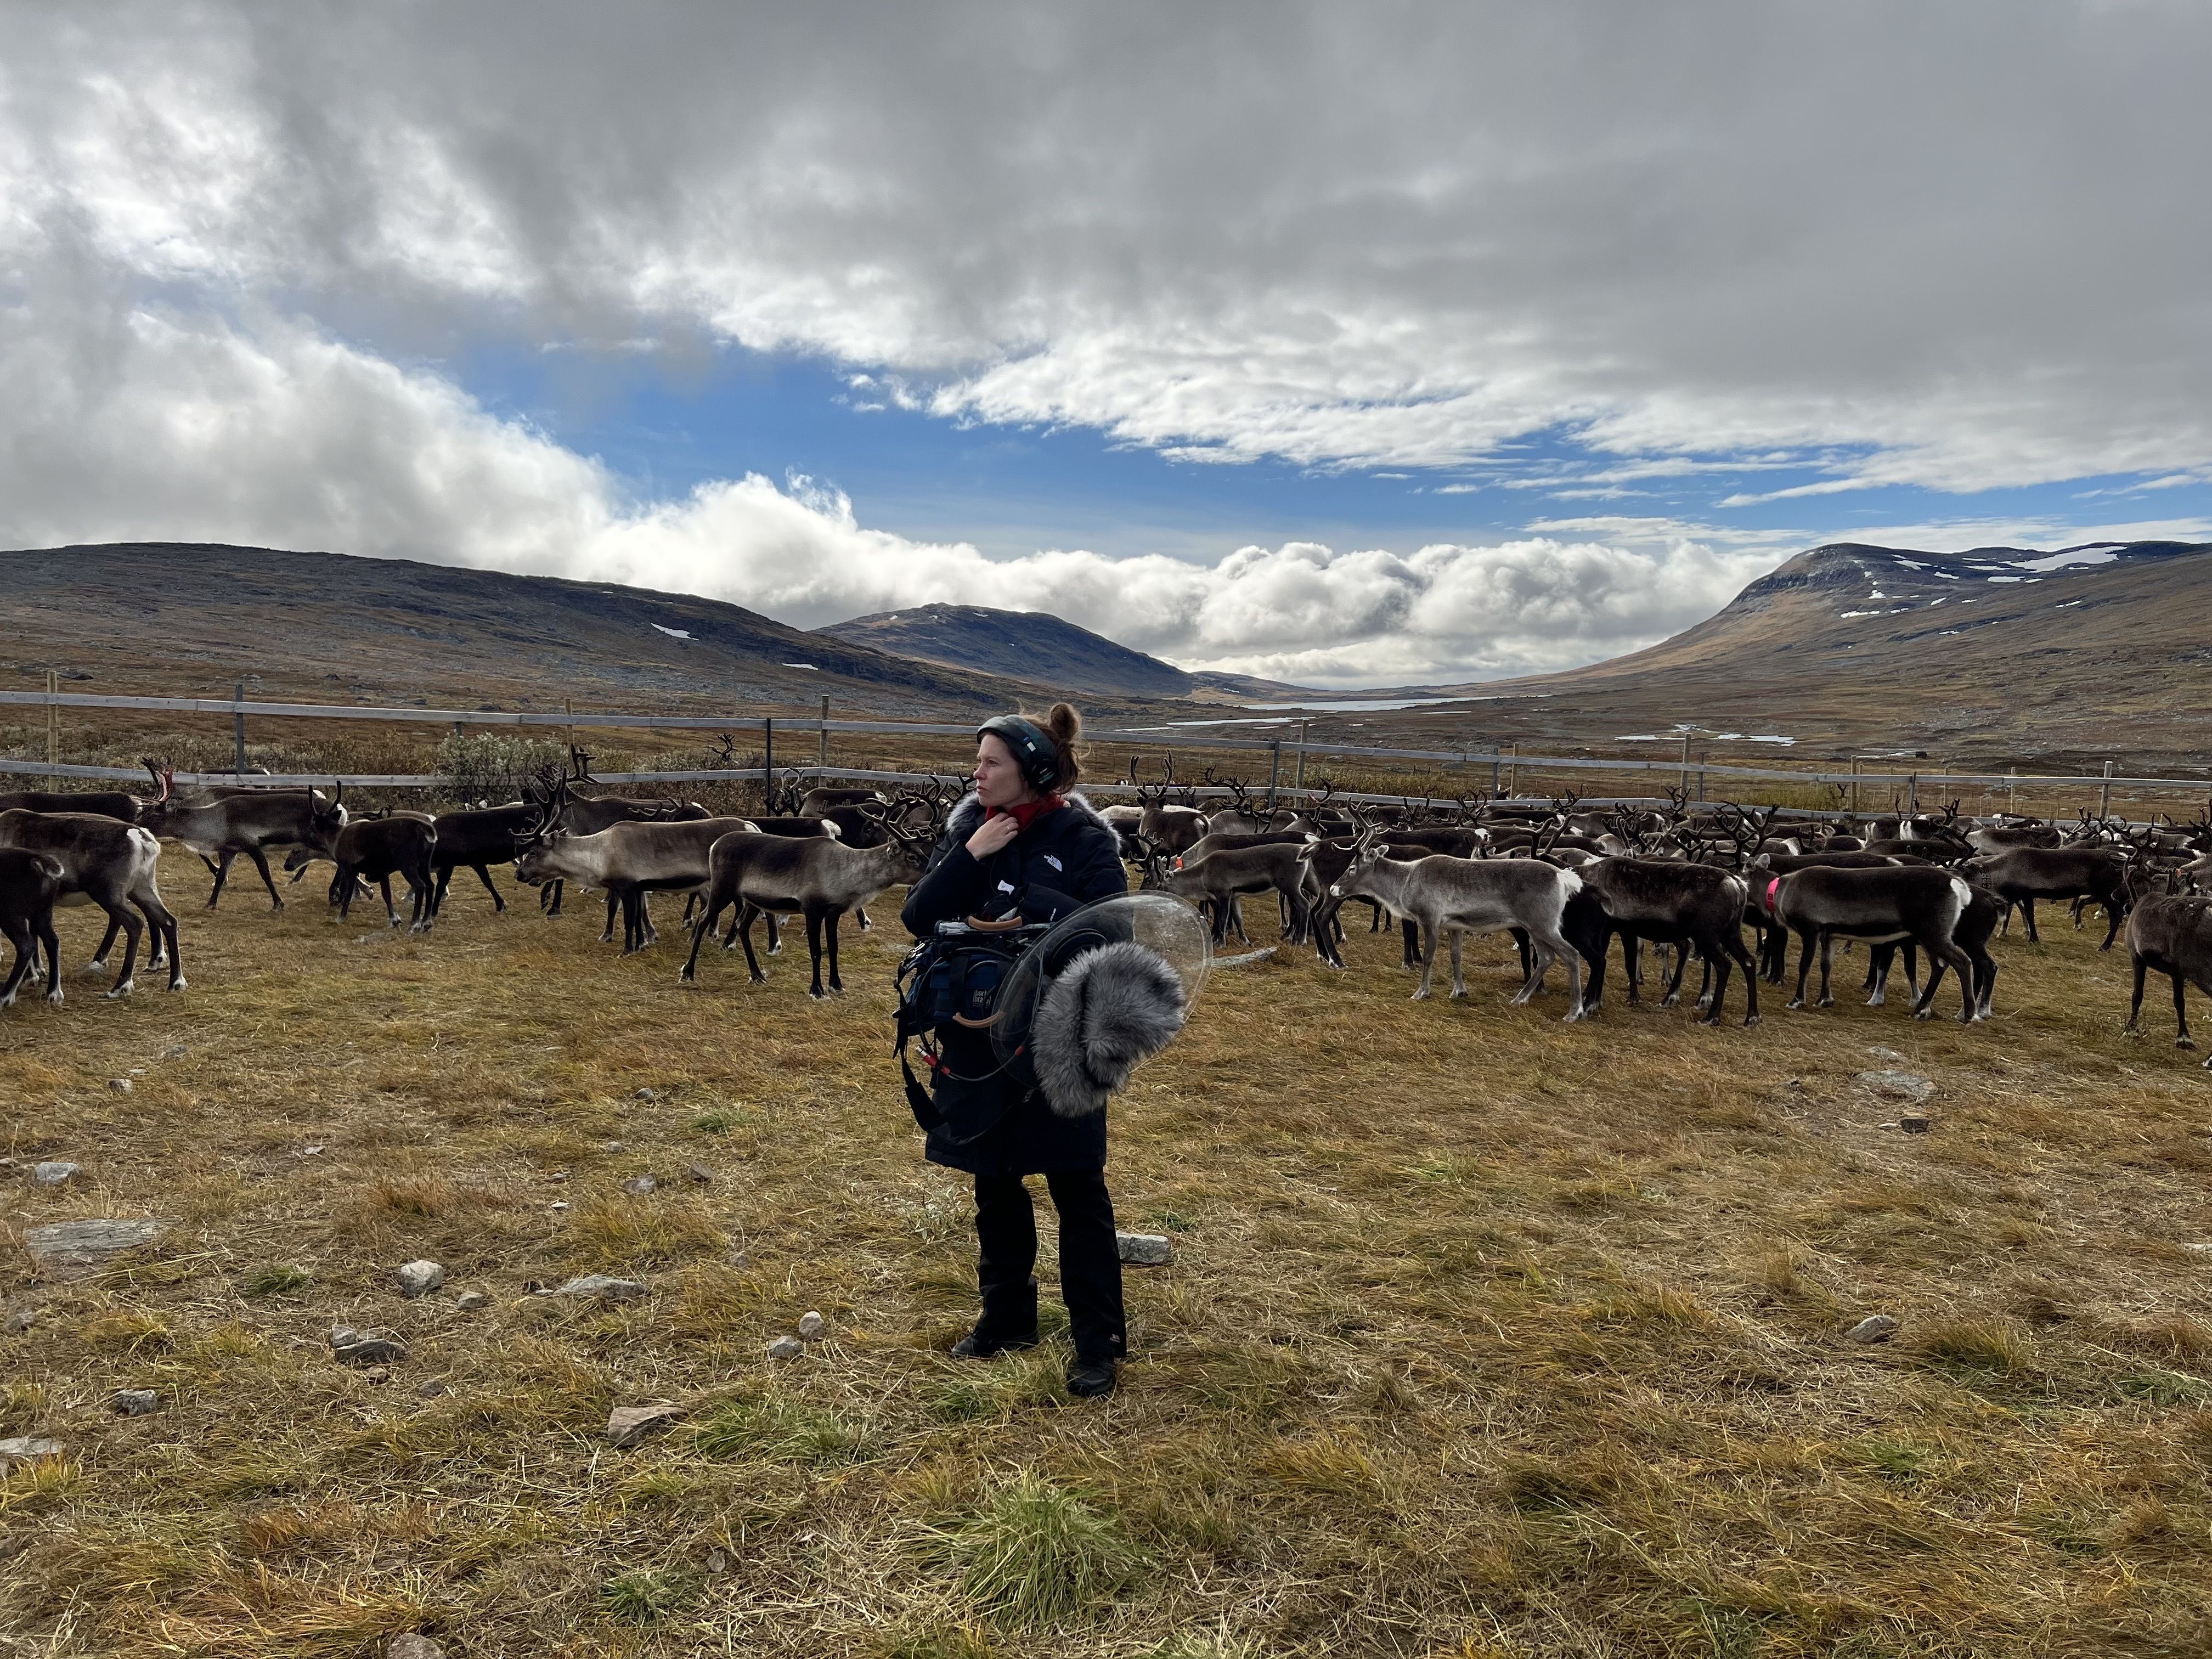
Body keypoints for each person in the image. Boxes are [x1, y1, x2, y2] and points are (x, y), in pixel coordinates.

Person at [900, 703, 1132, 1398]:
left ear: (1031, 770)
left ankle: (1099, 1343)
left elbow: (1113, 932)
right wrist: (971, 858)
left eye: (990, 762)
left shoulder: (1086, 839)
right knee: (994, 1180)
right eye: (978, 761)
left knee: (1076, 1188)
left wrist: (1031, 901)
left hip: (1059, 1042)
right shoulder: (973, 829)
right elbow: (917, 915)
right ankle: (1006, 1320)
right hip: (975, 1038)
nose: (976, 773)